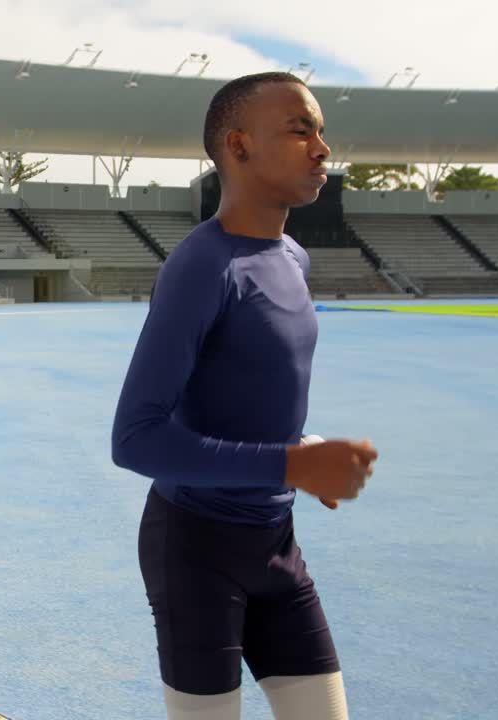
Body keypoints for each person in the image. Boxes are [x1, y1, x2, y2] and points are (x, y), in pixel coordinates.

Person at [111, 72, 378, 720]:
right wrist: (288, 465)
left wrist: (303, 453)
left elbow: (253, 388)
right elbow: (135, 436)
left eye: (320, 131)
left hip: (275, 543)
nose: (321, 148)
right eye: (298, 130)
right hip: (195, 550)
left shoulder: (293, 258)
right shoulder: (202, 266)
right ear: (238, 147)